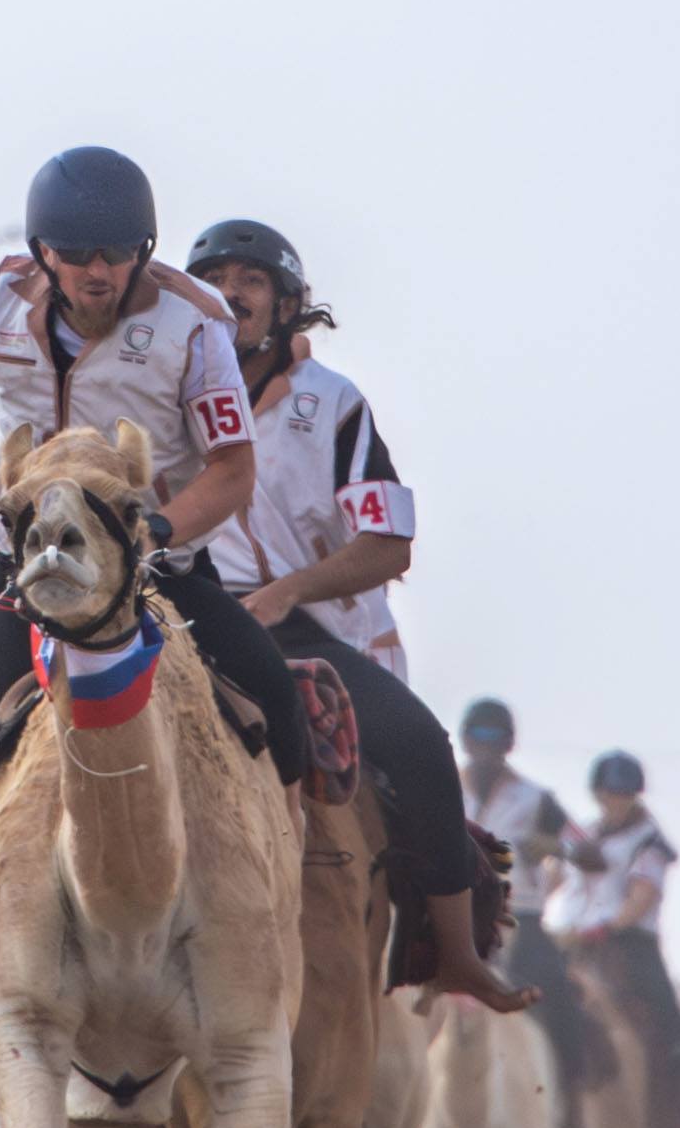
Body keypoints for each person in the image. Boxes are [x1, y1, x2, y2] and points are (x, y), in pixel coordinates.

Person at [0, 147, 312, 994]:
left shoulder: (197, 324)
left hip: (158, 569)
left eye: (115, 253)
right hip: (31, 571)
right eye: (78, 255)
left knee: (274, 694)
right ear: (44, 253)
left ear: (143, 249)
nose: (98, 272)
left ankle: (280, 887)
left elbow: (230, 470)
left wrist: (156, 531)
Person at [183, 219, 534, 1016]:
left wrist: (286, 592)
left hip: (299, 626)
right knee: (18, 718)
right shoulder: (162, 389)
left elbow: (389, 545)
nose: (232, 292)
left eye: (252, 280)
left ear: (287, 306)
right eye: (217, 279)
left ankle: (454, 953)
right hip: (184, 611)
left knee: (417, 745)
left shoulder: (333, 405)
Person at [463, 700, 608, 1088]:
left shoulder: (536, 799)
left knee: (560, 1002)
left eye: (496, 738)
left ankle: (571, 1105)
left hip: (520, 919)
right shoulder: (444, 790)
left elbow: (594, 857)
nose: (487, 747)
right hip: (454, 918)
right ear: (465, 740)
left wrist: (556, 847)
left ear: (509, 744)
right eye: (479, 736)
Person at [555, 749, 680, 1089]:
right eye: (612, 792)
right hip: (571, 938)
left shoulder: (650, 841)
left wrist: (605, 928)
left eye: (627, 793)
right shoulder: (580, 834)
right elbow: (554, 877)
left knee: (666, 1011)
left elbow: (642, 897)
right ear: (597, 793)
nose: (619, 800)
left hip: (627, 942)